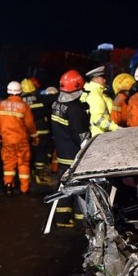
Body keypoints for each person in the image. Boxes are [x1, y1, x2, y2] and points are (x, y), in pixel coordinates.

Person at [50, 70, 90, 228]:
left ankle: (62, 218)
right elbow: (81, 136)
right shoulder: (75, 109)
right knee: (79, 186)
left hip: (62, 153)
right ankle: (81, 218)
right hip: (74, 154)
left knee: (65, 185)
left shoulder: (56, 103)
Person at [0, 81, 38, 195]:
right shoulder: (24, 106)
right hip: (21, 140)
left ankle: (8, 184)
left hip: (7, 140)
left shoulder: (1, 105)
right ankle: (24, 188)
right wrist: (35, 137)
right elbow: (30, 125)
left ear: (8, 91)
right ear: (20, 92)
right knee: (23, 163)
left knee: (9, 163)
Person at [20, 77, 54, 185]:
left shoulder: (19, 101)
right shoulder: (40, 98)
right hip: (41, 130)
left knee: (29, 154)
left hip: (26, 132)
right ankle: (40, 177)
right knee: (41, 152)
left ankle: (29, 176)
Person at [83, 66, 117, 138]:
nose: (105, 80)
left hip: (101, 134)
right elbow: (98, 119)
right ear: (95, 78)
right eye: (102, 77)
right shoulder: (95, 94)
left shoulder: (94, 91)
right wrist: (116, 128)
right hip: (101, 136)